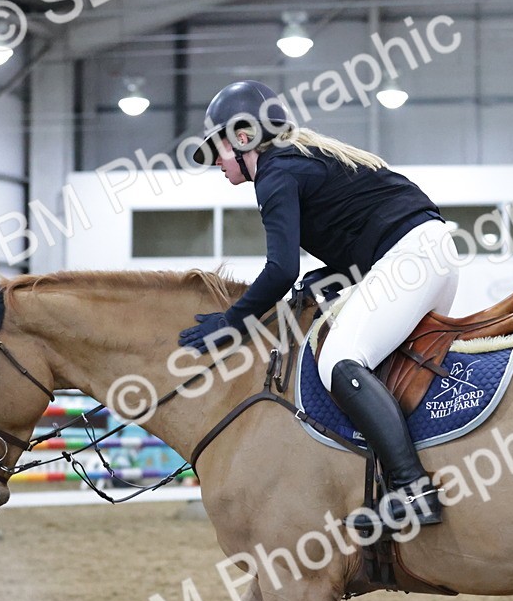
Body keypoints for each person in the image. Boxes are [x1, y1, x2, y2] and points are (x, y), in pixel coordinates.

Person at [179, 80, 459, 527]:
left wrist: (231, 323)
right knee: (373, 363)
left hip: (411, 260)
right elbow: (362, 235)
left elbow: (280, 269)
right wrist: (329, 275)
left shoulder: (275, 173)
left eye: (218, 148)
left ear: (244, 137)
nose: (214, 161)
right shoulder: (301, 159)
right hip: (425, 256)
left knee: (340, 362)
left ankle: (413, 489)